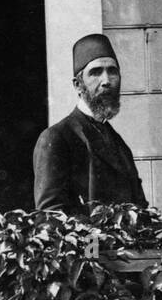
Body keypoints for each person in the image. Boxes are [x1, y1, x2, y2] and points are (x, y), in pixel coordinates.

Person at [33, 33, 147, 214]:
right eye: (95, 73)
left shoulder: (119, 143)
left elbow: (140, 209)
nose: (106, 81)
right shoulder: (57, 138)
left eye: (112, 71)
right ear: (78, 85)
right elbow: (51, 216)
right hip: (87, 243)